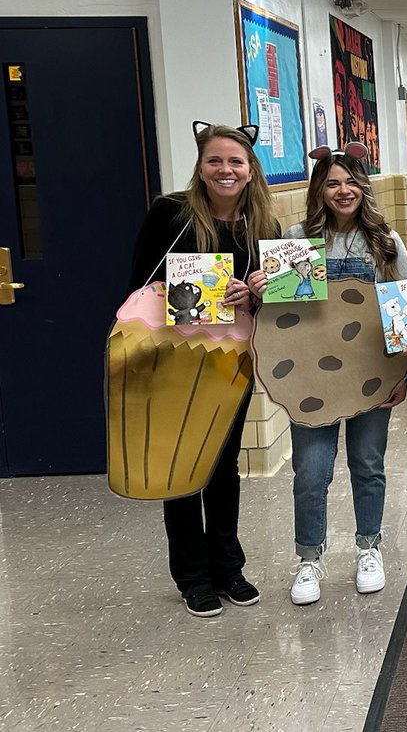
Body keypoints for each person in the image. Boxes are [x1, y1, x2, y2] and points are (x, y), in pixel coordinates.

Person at [125, 122, 278, 618]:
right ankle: (192, 577)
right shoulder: (170, 214)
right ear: (200, 166)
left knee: (223, 465)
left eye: (236, 162)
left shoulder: (264, 225)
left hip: (232, 362)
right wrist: (206, 294)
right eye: (216, 161)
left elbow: (286, 303)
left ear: (250, 170)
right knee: (183, 464)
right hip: (176, 358)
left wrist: (255, 291)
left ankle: (228, 567)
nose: (226, 170)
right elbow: (139, 288)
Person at [248, 143, 407, 606]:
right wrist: (263, 290)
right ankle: (309, 558)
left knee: (367, 465)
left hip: (371, 373)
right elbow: (281, 317)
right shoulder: (297, 237)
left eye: (351, 181)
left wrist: (403, 378)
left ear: (364, 187)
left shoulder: (386, 241)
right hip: (310, 380)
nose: (343, 191)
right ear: (320, 189)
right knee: (311, 470)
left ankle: (369, 548)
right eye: (333, 182)